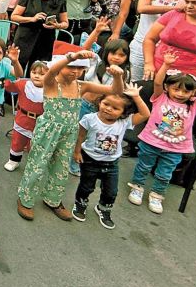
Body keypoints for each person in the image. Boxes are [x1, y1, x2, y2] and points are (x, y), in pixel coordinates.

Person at [17, 43, 124, 221]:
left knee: (61, 167)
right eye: (71, 67)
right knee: (37, 164)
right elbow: (51, 71)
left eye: (80, 69)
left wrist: (118, 77)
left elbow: (116, 91)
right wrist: (72, 56)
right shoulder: (51, 82)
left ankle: (53, 199)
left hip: (69, 133)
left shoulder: (82, 86)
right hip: (48, 131)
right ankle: (25, 199)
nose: (75, 72)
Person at [128, 55, 196, 215]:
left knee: (165, 173)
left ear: (192, 92)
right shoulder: (160, 97)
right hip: (151, 141)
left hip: (175, 148)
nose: (180, 94)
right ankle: (137, 187)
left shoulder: (194, 104)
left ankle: (157, 195)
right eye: (176, 89)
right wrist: (166, 64)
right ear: (167, 88)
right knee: (143, 166)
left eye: (186, 91)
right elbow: (157, 82)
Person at [71, 83, 150, 229]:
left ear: (123, 112)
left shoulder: (124, 122)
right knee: (86, 186)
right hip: (89, 160)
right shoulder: (89, 118)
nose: (108, 108)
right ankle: (80, 204)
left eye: (115, 108)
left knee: (111, 191)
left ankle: (103, 208)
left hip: (112, 163)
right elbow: (80, 136)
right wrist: (77, 152)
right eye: (106, 104)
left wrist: (136, 97)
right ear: (100, 102)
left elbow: (145, 114)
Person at [128, 0, 186, 80]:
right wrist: (175, 8)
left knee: (161, 82)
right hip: (142, 43)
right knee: (137, 81)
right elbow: (142, 8)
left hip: (168, 49)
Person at [11, 0, 68, 69]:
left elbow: (65, 23)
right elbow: (14, 16)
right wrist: (32, 19)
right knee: (17, 67)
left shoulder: (60, 1)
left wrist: (57, 25)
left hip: (46, 40)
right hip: (25, 37)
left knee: (39, 69)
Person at [3, 61, 48, 172]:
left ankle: (33, 165)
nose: (37, 76)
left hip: (40, 123)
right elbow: (9, 86)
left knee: (36, 145)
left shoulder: (52, 89)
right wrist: (9, 75)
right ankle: (14, 161)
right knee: (17, 141)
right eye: (34, 72)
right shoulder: (23, 84)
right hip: (22, 120)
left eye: (42, 74)